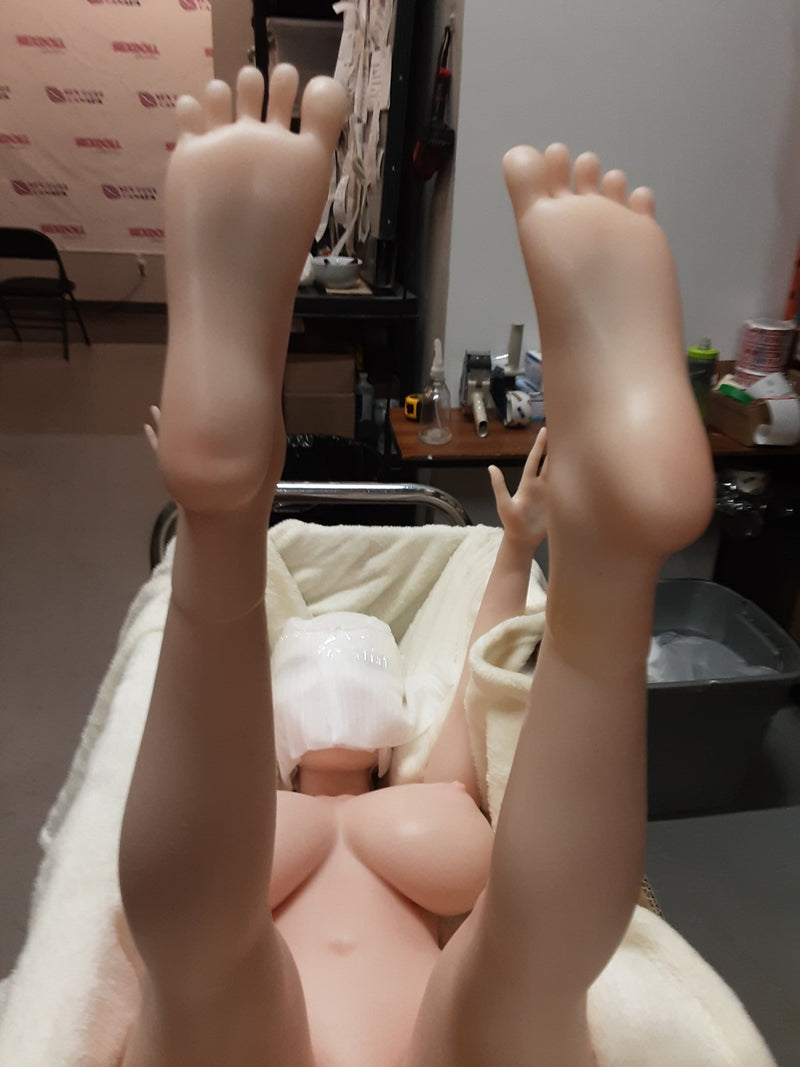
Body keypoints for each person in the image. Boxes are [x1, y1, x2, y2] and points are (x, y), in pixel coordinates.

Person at [117, 64, 714, 1067]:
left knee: (200, 963)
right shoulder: (383, 790)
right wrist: (519, 549)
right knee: (524, 971)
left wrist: (515, 547)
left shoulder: (279, 791)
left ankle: (224, 513)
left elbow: (475, 664)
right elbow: (473, 672)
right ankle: (605, 573)